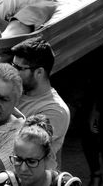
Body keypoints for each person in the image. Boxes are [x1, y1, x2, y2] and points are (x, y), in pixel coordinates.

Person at [11, 37, 70, 167]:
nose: (13, 71)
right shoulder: (16, 90)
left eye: (19, 68)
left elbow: (24, 147)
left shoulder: (55, 110)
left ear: (39, 72)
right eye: (12, 65)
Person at [0, 115, 82, 186]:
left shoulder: (66, 184)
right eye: (18, 160)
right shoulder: (2, 183)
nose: (23, 168)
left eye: (31, 162)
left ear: (48, 158)